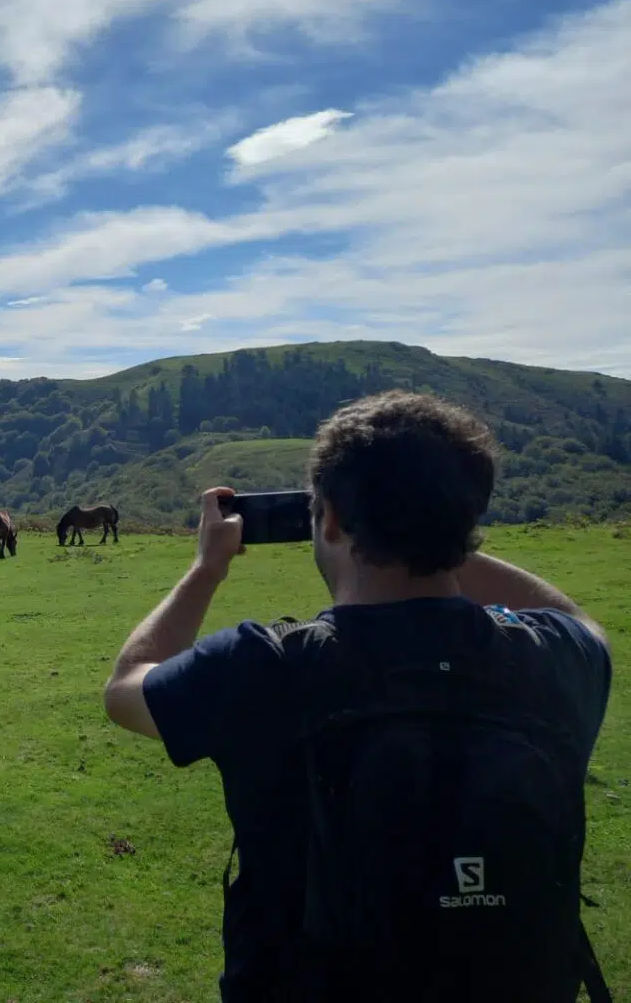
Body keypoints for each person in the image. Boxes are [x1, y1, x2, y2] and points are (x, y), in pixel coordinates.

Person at [102, 391, 613, 1002]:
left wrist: (207, 567)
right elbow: (580, 622)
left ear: (334, 519)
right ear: (469, 517)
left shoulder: (264, 665)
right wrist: (441, 531)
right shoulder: (557, 659)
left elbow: (128, 687)